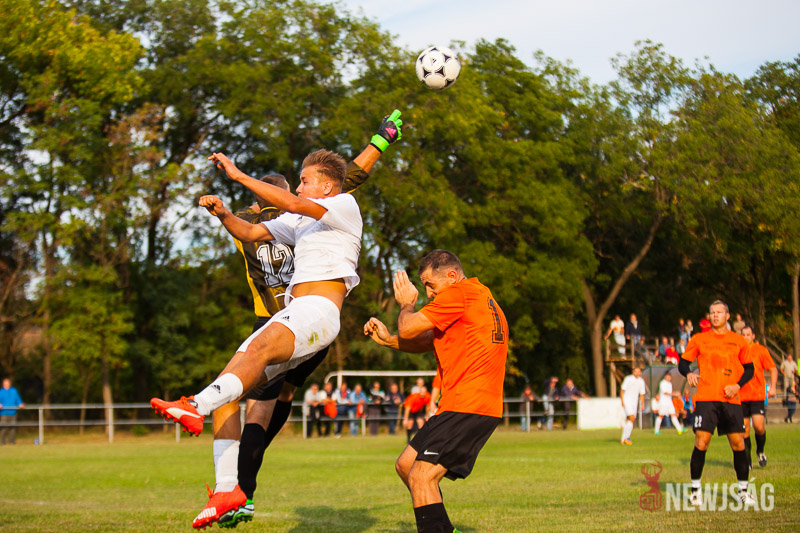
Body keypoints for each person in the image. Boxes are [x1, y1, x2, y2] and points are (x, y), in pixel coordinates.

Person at [156, 113, 401, 529]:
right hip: (295, 313)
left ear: (326, 186)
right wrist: (224, 214)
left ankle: (194, 405)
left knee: (254, 356)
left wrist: (238, 175)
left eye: (304, 181)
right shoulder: (299, 222)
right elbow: (251, 234)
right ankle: (229, 490)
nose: (298, 187)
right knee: (233, 383)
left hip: (318, 311)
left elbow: (298, 200)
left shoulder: (343, 205)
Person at [363, 249, 508, 533]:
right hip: (464, 404)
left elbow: (409, 328)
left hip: (468, 404)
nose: (428, 293)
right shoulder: (478, 294)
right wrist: (390, 340)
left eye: (430, 285)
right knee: (407, 466)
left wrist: (406, 304)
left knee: (421, 476)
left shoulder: (458, 294)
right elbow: (427, 339)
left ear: (452, 276)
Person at [678, 300, 755, 506]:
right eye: (712, 312)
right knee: (701, 442)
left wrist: (737, 386)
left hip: (731, 399)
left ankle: (743, 491)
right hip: (706, 398)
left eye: (719, 312)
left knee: (739, 444)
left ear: (727, 316)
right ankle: (695, 491)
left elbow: (750, 369)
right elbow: (683, 363)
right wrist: (689, 373)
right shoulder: (699, 339)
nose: (715, 315)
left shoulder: (738, 340)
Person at [739, 326, 777, 468]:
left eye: (748, 334)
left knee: (759, 426)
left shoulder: (760, 350)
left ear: (753, 336)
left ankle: (760, 451)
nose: (745, 337)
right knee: (744, 430)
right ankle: (747, 460)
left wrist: (773, 387)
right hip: (741, 395)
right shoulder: (737, 351)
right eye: (743, 334)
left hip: (757, 394)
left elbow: (772, 368)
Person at [619, 367, 646, 445]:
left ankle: (623, 439)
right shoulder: (628, 379)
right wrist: (622, 401)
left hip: (634, 402)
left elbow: (642, 394)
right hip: (627, 401)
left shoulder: (641, 381)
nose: (636, 373)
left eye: (638, 371)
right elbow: (622, 390)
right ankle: (627, 437)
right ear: (633, 372)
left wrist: (642, 403)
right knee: (632, 418)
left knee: (630, 420)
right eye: (635, 371)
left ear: (640, 373)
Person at [0, 378, 25, 445]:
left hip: (13, 412)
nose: (6, 384)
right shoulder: (1, 392)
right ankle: (2, 442)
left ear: (10, 384)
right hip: (4, 412)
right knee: (3, 428)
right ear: (3, 384)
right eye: (5, 383)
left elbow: (18, 399)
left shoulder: (14, 391)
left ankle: (12, 442)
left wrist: (21, 404)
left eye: (7, 383)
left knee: (13, 428)